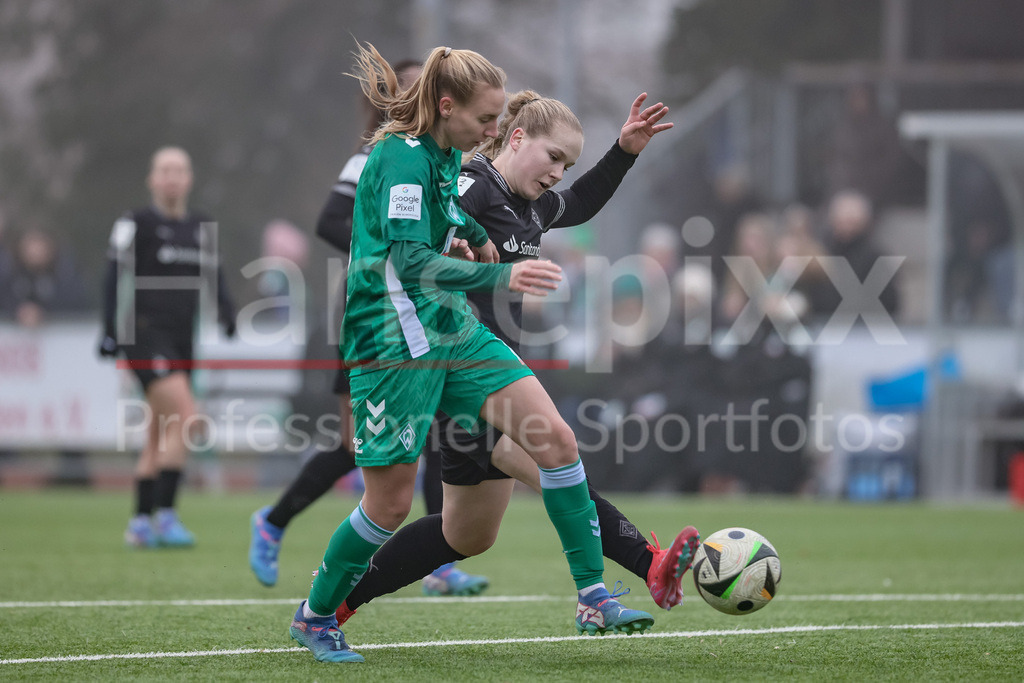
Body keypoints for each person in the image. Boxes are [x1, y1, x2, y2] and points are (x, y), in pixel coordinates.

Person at [288, 43, 657, 664]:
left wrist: (479, 241)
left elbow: (454, 217)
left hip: (452, 330)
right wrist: (500, 276)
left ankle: (592, 595)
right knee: (390, 504)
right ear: (446, 105)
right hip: (390, 338)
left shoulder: (443, 157)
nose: (494, 131)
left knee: (556, 441)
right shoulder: (399, 159)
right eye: (487, 121)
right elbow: (406, 261)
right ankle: (317, 615)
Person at [248, 58, 490, 597]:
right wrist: (381, 250)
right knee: (358, 446)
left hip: (420, 314)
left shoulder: (437, 158)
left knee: (429, 436)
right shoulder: (376, 156)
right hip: (373, 312)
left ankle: (437, 563)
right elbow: (330, 220)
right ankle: (275, 521)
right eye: (408, 83)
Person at [98, 146, 236, 548]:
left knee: (159, 432)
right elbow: (111, 276)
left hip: (181, 339)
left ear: (189, 179)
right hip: (142, 335)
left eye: (179, 170)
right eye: (165, 170)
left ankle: (139, 523)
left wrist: (227, 311)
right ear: (152, 179)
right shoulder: (134, 222)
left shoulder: (201, 225)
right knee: (187, 418)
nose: (172, 177)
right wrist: (108, 329)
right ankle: (165, 515)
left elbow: (216, 272)